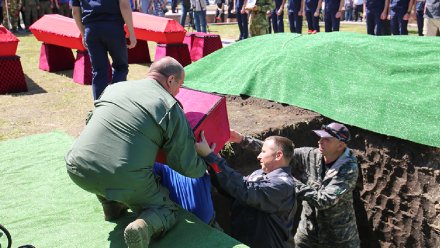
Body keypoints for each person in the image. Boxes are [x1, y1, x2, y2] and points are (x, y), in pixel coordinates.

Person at [65, 57, 209, 248]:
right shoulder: (169, 106)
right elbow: (184, 164)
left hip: (77, 167)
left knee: (103, 164)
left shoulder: (115, 87)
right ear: (171, 80)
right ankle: (143, 227)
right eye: (179, 85)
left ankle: (112, 206)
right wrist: (206, 162)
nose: (178, 92)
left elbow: (90, 120)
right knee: (167, 208)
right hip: (122, 176)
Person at [229, 122, 360, 248]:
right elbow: (279, 153)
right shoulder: (311, 155)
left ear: (340, 146)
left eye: (327, 139)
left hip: (338, 238)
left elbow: (324, 200)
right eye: (320, 137)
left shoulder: (348, 169)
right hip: (308, 231)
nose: (320, 141)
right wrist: (243, 140)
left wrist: (287, 181)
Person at [195, 132, 296, 248]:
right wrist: (213, 162)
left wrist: (212, 158)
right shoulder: (260, 173)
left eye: (263, 152)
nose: (259, 156)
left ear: (278, 155)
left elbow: (244, 190)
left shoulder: (282, 185)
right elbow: (233, 190)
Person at [71, 0, 136, 100]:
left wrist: (83, 33)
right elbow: (124, 5)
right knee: (121, 67)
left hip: (91, 30)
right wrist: (131, 33)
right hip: (113, 28)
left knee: (99, 71)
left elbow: (75, 11)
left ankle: (100, 107)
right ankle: (115, 102)